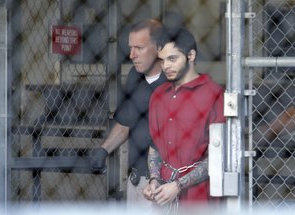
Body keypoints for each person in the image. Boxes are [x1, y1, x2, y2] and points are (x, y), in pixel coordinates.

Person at [143, 27, 226, 210]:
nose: (166, 66)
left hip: (200, 197)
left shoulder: (214, 94)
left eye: (172, 59)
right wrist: (154, 180)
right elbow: (155, 146)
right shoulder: (158, 95)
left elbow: (218, 155)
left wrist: (178, 185)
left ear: (191, 55)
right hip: (163, 195)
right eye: (162, 60)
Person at [90, 19, 167, 207]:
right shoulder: (134, 76)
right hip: (137, 180)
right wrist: (104, 149)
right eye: (130, 48)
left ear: (159, 47)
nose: (132, 55)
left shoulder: (174, 80)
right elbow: (126, 121)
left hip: (166, 184)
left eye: (139, 48)